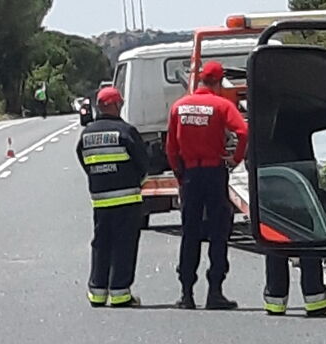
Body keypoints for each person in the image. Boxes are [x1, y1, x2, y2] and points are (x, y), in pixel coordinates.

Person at [166, 61, 248, 310]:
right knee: (218, 232)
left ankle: (186, 293)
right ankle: (215, 291)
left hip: (190, 173)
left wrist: (180, 175)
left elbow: (170, 147)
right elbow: (243, 131)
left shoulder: (179, 107)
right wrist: (235, 159)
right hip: (214, 173)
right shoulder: (222, 105)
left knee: (190, 232)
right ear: (219, 82)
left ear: (201, 80)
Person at [76, 86, 149, 308]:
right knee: (124, 245)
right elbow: (143, 165)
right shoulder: (126, 132)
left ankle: (97, 292)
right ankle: (120, 293)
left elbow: (84, 161)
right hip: (127, 199)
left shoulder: (86, 134)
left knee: (101, 244)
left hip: (100, 200)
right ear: (116, 106)